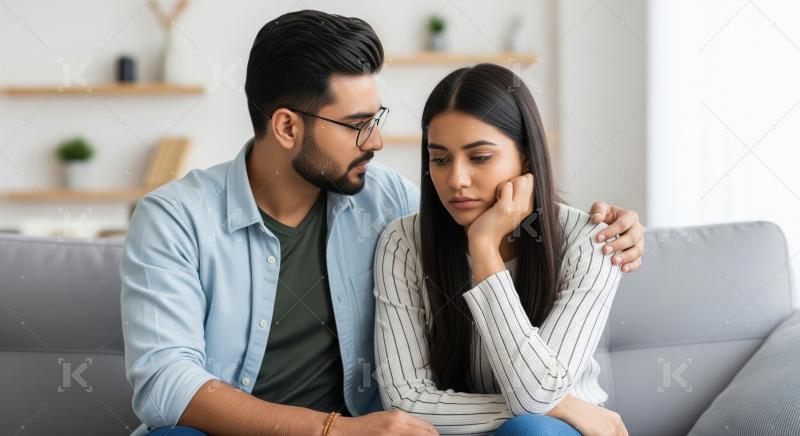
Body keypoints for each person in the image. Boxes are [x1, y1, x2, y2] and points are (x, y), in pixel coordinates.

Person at [120, 10, 644, 436]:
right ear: (286, 127)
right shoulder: (175, 219)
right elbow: (166, 384)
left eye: (376, 119)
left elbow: (476, 213)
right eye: (356, 125)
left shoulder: (388, 201)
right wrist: (334, 431)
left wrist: (617, 229)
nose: (375, 141)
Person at [374, 63, 630, 435]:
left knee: (530, 430)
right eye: (440, 159)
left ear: (525, 156)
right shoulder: (402, 242)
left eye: (479, 157)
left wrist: (483, 248)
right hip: (459, 432)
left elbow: (536, 399)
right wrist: (566, 405)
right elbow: (405, 401)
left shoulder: (589, 241)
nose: (456, 180)